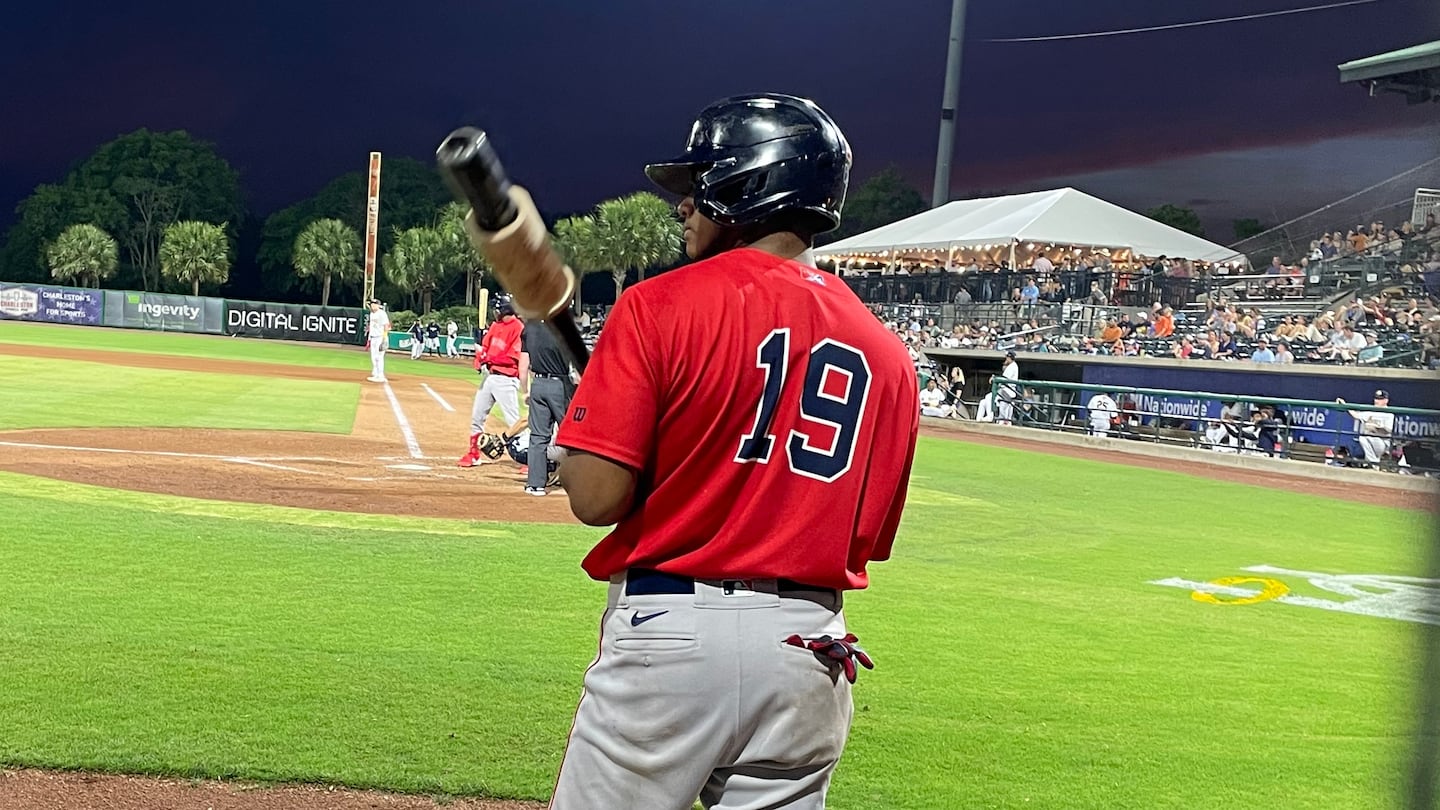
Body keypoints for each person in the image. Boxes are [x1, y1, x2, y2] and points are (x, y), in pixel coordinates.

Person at [547, 93, 918, 810]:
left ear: (747, 185)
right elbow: (865, 535)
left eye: (697, 187)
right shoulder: (887, 352)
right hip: (810, 653)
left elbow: (596, 499)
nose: (683, 206)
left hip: (672, 641)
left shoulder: (660, 305)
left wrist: (593, 426)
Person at [457, 295, 526, 467]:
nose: (495, 312)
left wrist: (488, 357)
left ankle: (530, 459)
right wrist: (480, 358)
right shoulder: (495, 326)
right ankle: (473, 454)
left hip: (507, 379)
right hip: (490, 376)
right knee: (477, 416)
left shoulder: (518, 328)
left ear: (505, 310)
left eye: (497, 309)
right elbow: (486, 348)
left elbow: (512, 358)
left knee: (513, 421)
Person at [519, 314, 576, 495]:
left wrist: (525, 391)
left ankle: (535, 484)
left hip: (538, 384)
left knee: (538, 437)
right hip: (560, 384)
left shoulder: (530, 327)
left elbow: (523, 366)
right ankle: (580, 481)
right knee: (572, 435)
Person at [1339, 389, 1406, 469]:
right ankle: (1374, 464)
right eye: (1376, 399)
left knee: (1366, 437)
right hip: (1371, 441)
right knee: (1363, 437)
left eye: (1380, 399)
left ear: (1386, 400)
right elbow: (1356, 415)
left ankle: (1373, 464)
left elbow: (1388, 430)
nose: (1376, 401)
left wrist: (1375, 428)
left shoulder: (1389, 414)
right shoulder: (1372, 411)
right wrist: (1344, 404)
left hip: (1383, 443)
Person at [365, 299, 390, 383]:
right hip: (373, 337)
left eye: (375, 304)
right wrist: (369, 339)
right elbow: (371, 327)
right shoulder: (372, 313)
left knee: (379, 357)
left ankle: (380, 375)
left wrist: (384, 338)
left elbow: (386, 325)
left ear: (378, 305)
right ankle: (376, 373)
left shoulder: (382, 313)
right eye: (372, 304)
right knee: (373, 357)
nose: (373, 305)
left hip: (380, 337)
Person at [996, 350, 1020, 425]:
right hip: (1009, 390)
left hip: (1008, 389)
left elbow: (1004, 378)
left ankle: (1003, 423)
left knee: (1004, 408)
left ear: (1010, 358)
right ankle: (1005, 423)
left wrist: (995, 378)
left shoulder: (1012, 366)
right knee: (1007, 409)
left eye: (1007, 357)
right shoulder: (1013, 365)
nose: (1006, 359)